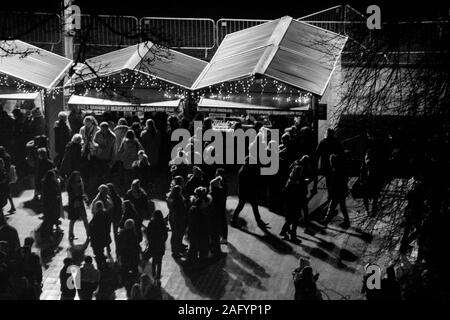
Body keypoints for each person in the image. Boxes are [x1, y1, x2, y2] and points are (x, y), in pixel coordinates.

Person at [231, 156, 269, 229]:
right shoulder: (244, 171)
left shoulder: (247, 168)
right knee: (242, 206)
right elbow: (249, 182)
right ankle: (233, 220)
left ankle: (258, 220)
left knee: (252, 206)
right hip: (245, 192)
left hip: (247, 192)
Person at [280, 165, 308, 243]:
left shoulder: (290, 179)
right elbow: (303, 193)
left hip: (288, 203)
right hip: (296, 203)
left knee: (289, 219)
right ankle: (289, 235)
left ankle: (286, 233)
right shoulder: (299, 181)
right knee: (294, 220)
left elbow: (285, 191)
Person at [320, 154, 350, 228]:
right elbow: (345, 180)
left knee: (332, 207)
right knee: (342, 207)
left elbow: (333, 184)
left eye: (331, 161)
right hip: (342, 191)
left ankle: (326, 220)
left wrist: (331, 192)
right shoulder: (341, 170)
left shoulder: (335, 171)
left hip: (337, 192)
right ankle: (346, 221)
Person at [312, 128, 344, 196]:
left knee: (328, 179)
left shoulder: (322, 142)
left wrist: (316, 164)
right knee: (335, 179)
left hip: (325, 164)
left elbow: (317, 154)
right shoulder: (336, 142)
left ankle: (330, 193)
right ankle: (333, 193)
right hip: (335, 164)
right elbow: (341, 153)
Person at [117, 219, 141, 296]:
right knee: (134, 270)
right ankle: (134, 285)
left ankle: (127, 284)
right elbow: (137, 247)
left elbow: (119, 246)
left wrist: (119, 255)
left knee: (125, 270)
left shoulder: (121, 234)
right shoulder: (134, 234)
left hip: (125, 257)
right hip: (133, 257)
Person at [187, 187, 211, 263]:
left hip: (194, 228)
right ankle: (203, 258)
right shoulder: (207, 203)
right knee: (203, 243)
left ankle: (192, 258)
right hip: (203, 228)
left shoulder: (194, 206)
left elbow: (190, 218)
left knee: (193, 244)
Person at [117, 130, 143, 194]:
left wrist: (122, 157)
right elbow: (142, 151)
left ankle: (127, 191)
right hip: (134, 162)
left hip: (126, 162)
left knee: (126, 178)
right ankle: (134, 191)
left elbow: (120, 151)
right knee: (133, 178)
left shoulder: (124, 142)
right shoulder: (136, 143)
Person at [145, 210, 168, 281]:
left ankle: (153, 274)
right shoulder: (162, 223)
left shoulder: (151, 223)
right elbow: (166, 235)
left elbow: (148, 234)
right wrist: (162, 241)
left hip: (153, 244)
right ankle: (158, 276)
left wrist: (150, 241)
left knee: (154, 260)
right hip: (160, 244)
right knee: (159, 261)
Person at [66, 171, 89, 241]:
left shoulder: (79, 183)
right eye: (77, 176)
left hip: (80, 203)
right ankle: (71, 234)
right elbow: (73, 194)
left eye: (79, 176)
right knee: (73, 219)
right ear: (74, 177)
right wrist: (79, 195)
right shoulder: (71, 184)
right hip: (74, 204)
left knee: (85, 218)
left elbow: (82, 192)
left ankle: (89, 234)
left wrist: (84, 197)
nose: (78, 177)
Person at [166, 185, 188, 258]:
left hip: (172, 217)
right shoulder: (178, 198)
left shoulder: (170, 197)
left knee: (174, 234)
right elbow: (182, 208)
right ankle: (176, 252)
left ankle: (174, 250)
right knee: (178, 235)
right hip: (178, 218)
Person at [360, 150, 383, 216]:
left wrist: (362, 180)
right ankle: (372, 210)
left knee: (366, 197)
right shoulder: (375, 162)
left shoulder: (366, 162)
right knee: (373, 196)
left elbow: (362, 171)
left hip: (368, 181)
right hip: (372, 181)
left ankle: (368, 210)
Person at [89, 201, 111, 268]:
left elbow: (91, 225)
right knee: (101, 251)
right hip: (104, 235)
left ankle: (101, 265)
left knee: (98, 252)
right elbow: (108, 224)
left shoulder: (97, 215)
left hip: (97, 237)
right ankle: (104, 263)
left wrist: (89, 233)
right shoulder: (106, 213)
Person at [40, 170, 62, 237]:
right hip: (53, 204)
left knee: (49, 219)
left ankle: (49, 232)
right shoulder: (53, 183)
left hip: (47, 204)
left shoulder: (45, 183)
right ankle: (49, 234)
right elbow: (56, 193)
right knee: (52, 219)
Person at [209, 176, 227, 257]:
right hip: (217, 217)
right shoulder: (220, 193)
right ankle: (217, 252)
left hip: (212, 217)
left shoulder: (210, 195)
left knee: (213, 234)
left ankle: (212, 249)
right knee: (216, 235)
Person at [0, 147, 15, 213]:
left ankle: (12, 206)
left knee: (6, 192)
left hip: (4, 175)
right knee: (8, 192)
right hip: (7, 174)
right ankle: (12, 206)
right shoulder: (7, 156)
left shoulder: (3, 157)